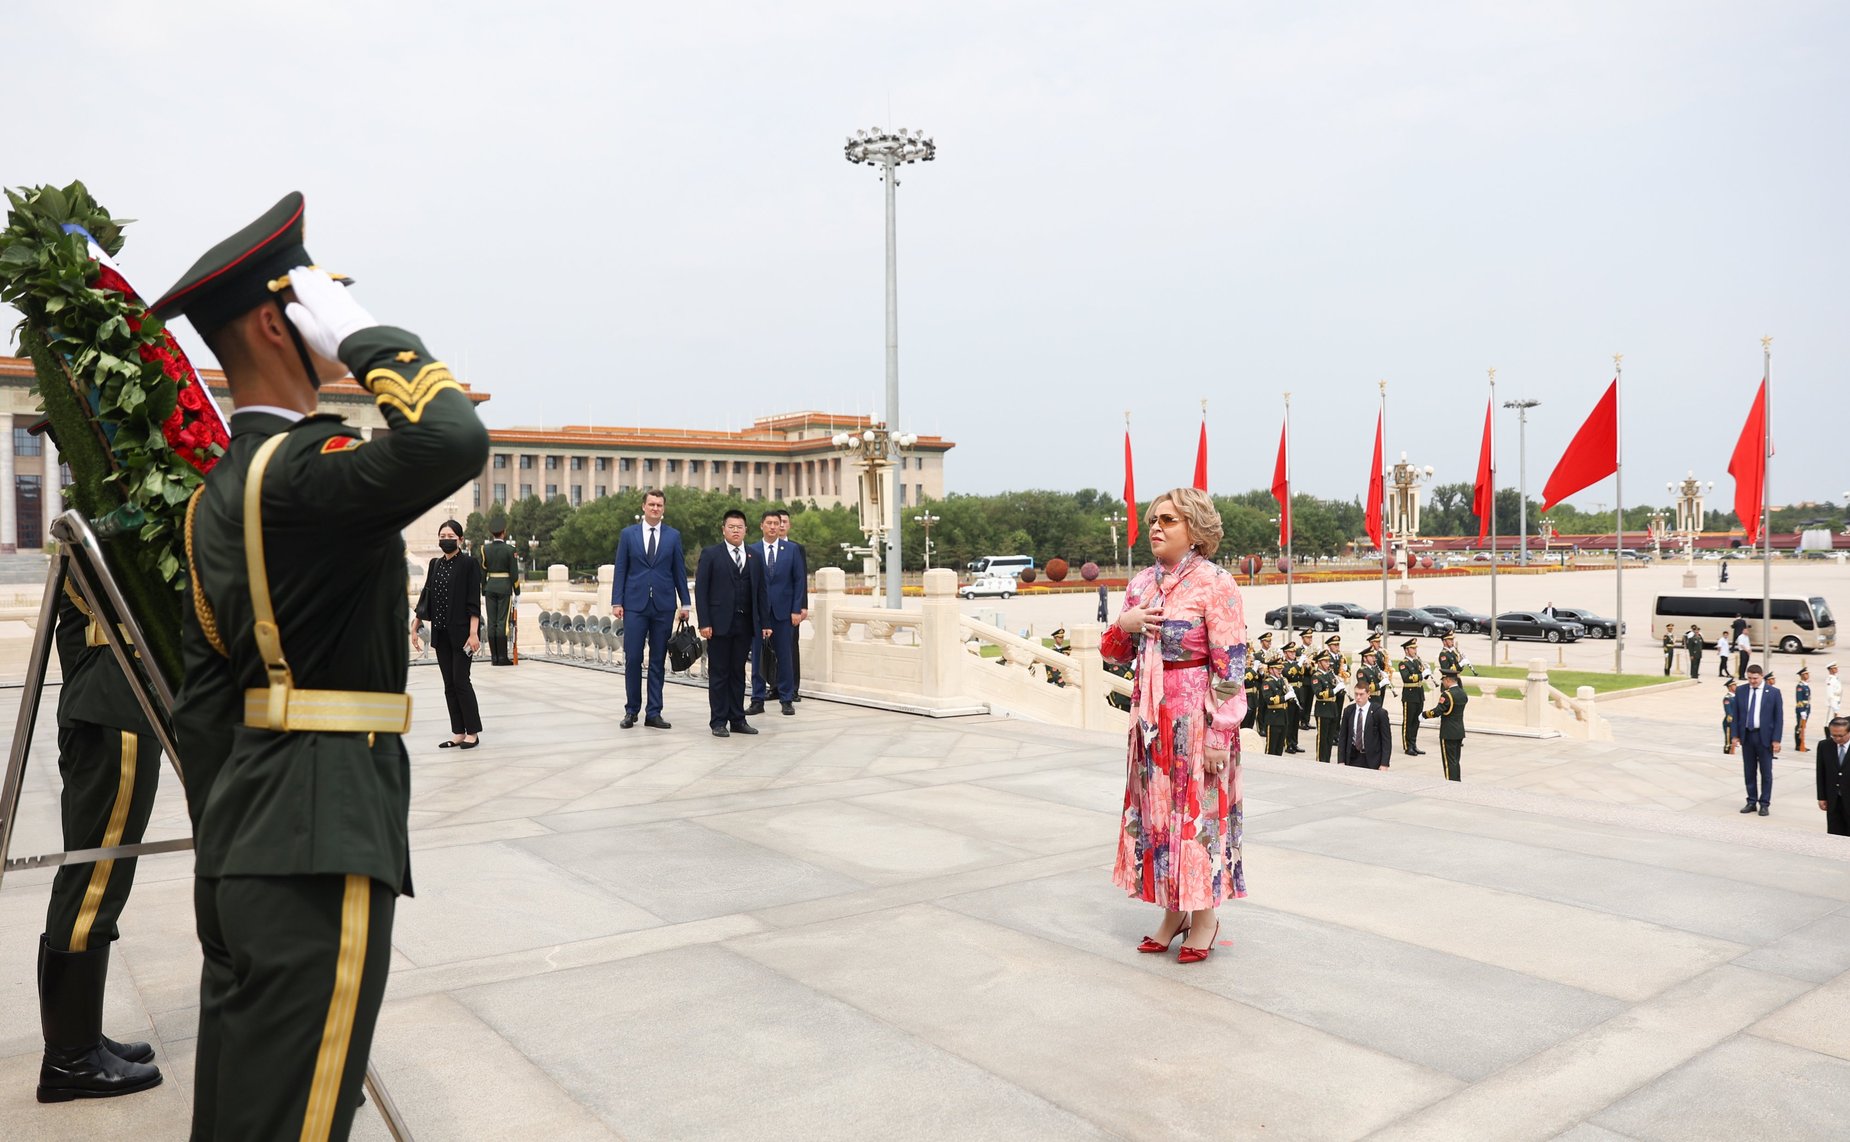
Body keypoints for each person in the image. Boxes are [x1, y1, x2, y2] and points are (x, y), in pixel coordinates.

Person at [160, 192, 489, 1139]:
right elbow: (454, 438)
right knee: (301, 1118)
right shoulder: (308, 471)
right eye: (319, 303)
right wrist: (367, 335)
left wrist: (233, 848)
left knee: (243, 1113)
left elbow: (205, 708)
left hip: (249, 839)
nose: (333, 323)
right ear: (279, 321)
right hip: (324, 830)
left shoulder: (216, 496)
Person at [33, 553, 163, 1102]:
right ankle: (70, 1058)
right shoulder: (107, 523)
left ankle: (78, 1037)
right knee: (94, 882)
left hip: (108, 705)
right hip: (116, 708)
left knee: (93, 877)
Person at [1104, 487, 1246, 964]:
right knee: (1159, 818)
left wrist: (1218, 733)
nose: (1157, 528)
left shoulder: (1215, 583)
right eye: (1152, 521)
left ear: (1195, 529)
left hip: (1196, 721)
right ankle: (1173, 911)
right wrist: (1124, 622)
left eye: (1168, 520)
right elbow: (1112, 653)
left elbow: (1231, 668)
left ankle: (1203, 915)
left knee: (1198, 820)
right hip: (1151, 726)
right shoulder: (1142, 583)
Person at [610, 489, 690, 730]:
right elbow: (621, 568)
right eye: (652, 504)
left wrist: (685, 603)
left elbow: (679, 570)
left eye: (659, 505)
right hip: (635, 605)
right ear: (643, 506)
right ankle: (631, 710)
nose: (655, 508)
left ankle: (653, 712)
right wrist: (617, 601)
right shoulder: (628, 535)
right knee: (633, 658)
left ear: (663, 509)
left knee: (658, 660)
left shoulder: (673, 536)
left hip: (663, 606)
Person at [695, 510, 771, 737]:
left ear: (746, 529)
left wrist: (765, 622)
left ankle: (737, 718)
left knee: (738, 672)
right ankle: (718, 721)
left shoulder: (754, 557)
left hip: (745, 624)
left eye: (739, 527)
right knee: (719, 673)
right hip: (718, 625)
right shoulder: (711, 554)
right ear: (723, 529)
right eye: (731, 527)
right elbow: (701, 591)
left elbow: (761, 591)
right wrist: (704, 622)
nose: (735, 530)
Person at [412, 520, 483, 748]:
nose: (446, 538)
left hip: (463, 634)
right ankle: (458, 732)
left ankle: (472, 732)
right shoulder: (435, 564)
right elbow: (426, 598)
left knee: (461, 681)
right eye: (442, 534)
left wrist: (474, 634)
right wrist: (416, 624)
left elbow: (474, 603)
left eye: (450, 535)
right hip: (441, 634)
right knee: (449, 684)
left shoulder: (469, 564)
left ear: (460, 539)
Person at [747, 509, 808, 716]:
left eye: (776, 523)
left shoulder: (791, 550)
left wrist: (796, 609)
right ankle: (757, 699)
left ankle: (786, 697)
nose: (773, 526)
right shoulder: (751, 550)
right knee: (757, 656)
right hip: (758, 614)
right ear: (761, 526)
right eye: (769, 523)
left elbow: (799, 581)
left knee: (784, 656)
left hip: (783, 612)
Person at [1733, 663, 1784, 816]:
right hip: (1747, 736)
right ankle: (1751, 801)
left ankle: (1764, 803)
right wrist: (1735, 735)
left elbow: (1778, 718)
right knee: (1749, 771)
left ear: (1761, 676)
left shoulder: (1773, 692)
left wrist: (1776, 740)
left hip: (1765, 738)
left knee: (1766, 772)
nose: (1752, 681)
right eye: (1749, 678)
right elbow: (1736, 715)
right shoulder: (1741, 690)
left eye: (1755, 678)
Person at [480, 524, 521, 665]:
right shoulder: (510, 550)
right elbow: (514, 574)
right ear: (503, 532)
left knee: (492, 622)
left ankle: (494, 658)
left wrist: (483, 589)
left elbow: (483, 572)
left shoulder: (485, 549)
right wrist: (517, 592)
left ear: (492, 533)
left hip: (490, 587)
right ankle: (502, 658)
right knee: (502, 623)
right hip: (504, 588)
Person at [1422, 671, 1468, 780]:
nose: (1443, 682)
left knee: (1448, 761)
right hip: (1459, 731)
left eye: (1443, 680)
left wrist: (1424, 715)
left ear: (1447, 680)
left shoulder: (1447, 695)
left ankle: (1450, 782)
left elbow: (1438, 711)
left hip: (1448, 732)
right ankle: (1457, 780)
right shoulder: (1462, 693)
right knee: (1455, 760)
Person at [1339, 680, 1391, 769]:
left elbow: (1386, 740)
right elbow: (1343, 737)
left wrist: (1384, 763)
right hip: (1353, 757)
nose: (1358, 697)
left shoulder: (1379, 713)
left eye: (1361, 694)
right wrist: (1341, 760)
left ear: (1368, 694)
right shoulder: (1349, 711)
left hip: (1372, 759)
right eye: (1356, 694)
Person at [1818, 717, 1850, 837]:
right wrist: (1822, 797)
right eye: (1833, 735)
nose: (1837, 739)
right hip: (1834, 800)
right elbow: (1821, 772)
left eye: (1841, 736)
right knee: (1834, 835)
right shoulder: (1824, 746)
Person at [1310, 650, 1342, 763]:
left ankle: (1326, 760)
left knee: (1329, 738)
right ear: (1319, 662)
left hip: (1332, 709)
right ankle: (1320, 760)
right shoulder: (1316, 677)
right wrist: (1334, 691)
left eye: (1329, 661)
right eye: (1326, 661)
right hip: (1323, 709)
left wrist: (1340, 686)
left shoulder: (1329, 674)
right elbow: (1318, 694)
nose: (1328, 663)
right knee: (1322, 738)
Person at [1397, 638, 1428, 756]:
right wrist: (1421, 675)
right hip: (1409, 696)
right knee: (1408, 722)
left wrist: (1426, 673)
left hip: (1419, 695)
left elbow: (1421, 676)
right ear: (1406, 650)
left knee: (1416, 721)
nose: (1415, 650)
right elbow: (1407, 678)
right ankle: (1407, 746)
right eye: (1412, 648)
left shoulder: (1417, 662)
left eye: (1415, 648)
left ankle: (1414, 744)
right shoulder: (1403, 664)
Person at [1261, 655, 1291, 756]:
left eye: (1281, 668)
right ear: (1270, 669)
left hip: (1283, 717)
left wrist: (1291, 695)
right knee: (1271, 748)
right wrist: (1285, 698)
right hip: (1273, 718)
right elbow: (1269, 700)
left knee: (1279, 748)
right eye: (1277, 669)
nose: (1280, 671)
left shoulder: (1282, 680)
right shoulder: (1267, 682)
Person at [1281, 642, 1306, 754]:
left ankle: (1294, 743)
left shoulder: (1297, 663)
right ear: (1285, 653)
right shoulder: (1283, 664)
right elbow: (1289, 674)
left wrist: (1305, 664)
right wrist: (1299, 664)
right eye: (1291, 651)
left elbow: (1302, 675)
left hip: (1299, 693)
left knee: (1296, 721)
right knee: (1289, 720)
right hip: (1290, 693)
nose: (1293, 653)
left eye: (1294, 651)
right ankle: (1288, 744)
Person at [1795, 666, 1812, 751]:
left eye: (1807, 673)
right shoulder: (1800, 686)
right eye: (1805, 674)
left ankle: (1802, 743)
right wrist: (1801, 711)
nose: (1807, 675)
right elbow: (1799, 700)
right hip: (1802, 709)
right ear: (1801, 675)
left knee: (1803, 726)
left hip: (1807, 708)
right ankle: (1798, 745)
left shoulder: (1805, 685)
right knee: (1799, 726)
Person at [1722, 680, 1738, 753]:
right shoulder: (1727, 698)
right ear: (1730, 687)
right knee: (1729, 736)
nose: (1736, 687)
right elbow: (1728, 710)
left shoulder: (1736, 696)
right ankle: (1727, 749)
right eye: (1734, 685)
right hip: (1730, 721)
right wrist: (1731, 719)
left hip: (1737, 720)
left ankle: (1732, 748)